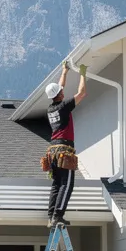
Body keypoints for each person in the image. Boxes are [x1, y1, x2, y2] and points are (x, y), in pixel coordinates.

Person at [42, 61, 87, 228]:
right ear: (59, 95)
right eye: (61, 91)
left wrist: (64, 71)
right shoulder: (63, 107)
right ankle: (58, 216)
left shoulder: (51, 108)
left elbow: (59, 87)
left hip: (53, 149)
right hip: (64, 149)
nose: (63, 91)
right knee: (67, 184)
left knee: (56, 184)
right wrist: (83, 74)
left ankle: (51, 216)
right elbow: (81, 93)